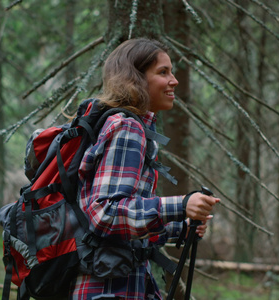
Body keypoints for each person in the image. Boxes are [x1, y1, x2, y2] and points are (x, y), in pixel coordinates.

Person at [71, 38, 220, 299]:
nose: (174, 80)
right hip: (107, 288)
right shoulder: (128, 128)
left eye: (171, 72)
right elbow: (104, 214)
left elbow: (124, 229)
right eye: (163, 72)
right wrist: (181, 204)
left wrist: (182, 227)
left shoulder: (131, 126)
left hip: (113, 283)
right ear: (135, 78)